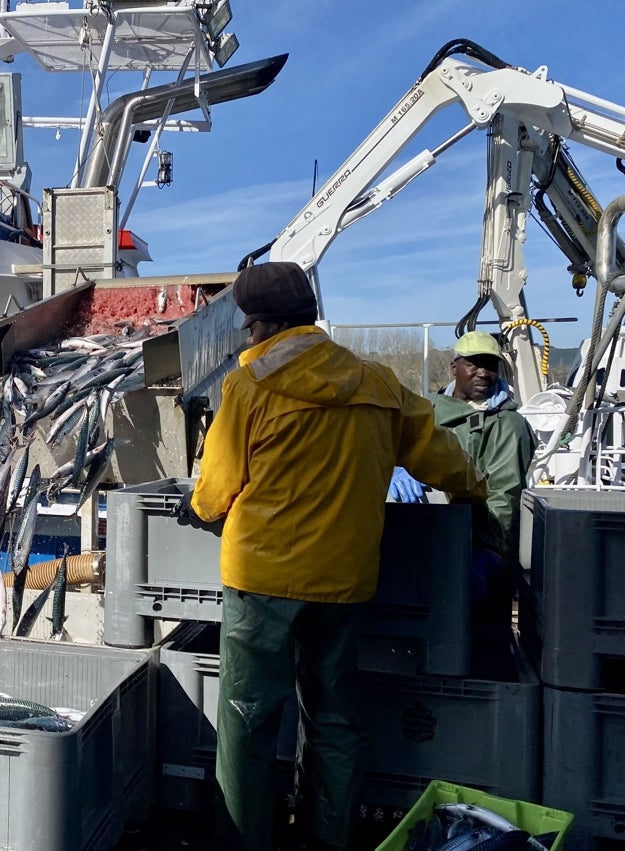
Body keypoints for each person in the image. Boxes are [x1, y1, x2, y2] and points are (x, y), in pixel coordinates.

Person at [175, 262, 487, 851]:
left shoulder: (247, 389)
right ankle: (329, 840)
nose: (246, 338)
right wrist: (477, 495)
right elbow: (443, 460)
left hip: (261, 583)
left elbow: (215, 491)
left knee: (247, 720)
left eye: (247, 328)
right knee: (336, 722)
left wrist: (198, 507)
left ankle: (246, 842)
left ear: (263, 326)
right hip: (343, 583)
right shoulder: (379, 382)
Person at [388, 331, 535, 623]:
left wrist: (490, 552)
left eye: (491, 365)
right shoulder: (423, 407)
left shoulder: (508, 425)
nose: (483, 372)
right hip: (413, 544)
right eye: (474, 363)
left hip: (473, 551)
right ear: (454, 367)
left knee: (474, 637)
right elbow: (383, 444)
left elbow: (504, 497)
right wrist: (393, 467)